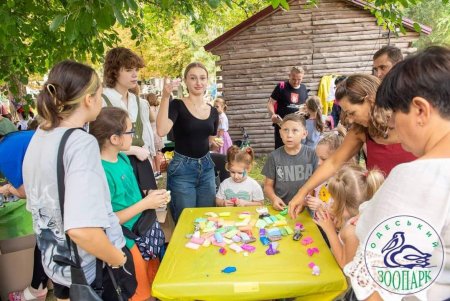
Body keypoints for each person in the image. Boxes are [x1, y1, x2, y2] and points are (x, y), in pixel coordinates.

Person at [22, 60, 135, 301]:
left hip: (58, 264)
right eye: (99, 94)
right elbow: (82, 229)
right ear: (88, 99)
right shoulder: (80, 143)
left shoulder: (40, 136)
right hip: (91, 269)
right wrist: (118, 258)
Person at [345, 46, 450, 301]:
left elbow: (375, 286)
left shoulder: (416, 177)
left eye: (394, 113)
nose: (391, 124)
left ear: (420, 111)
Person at [288, 74, 416, 219]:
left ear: (371, 100)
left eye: (352, 113)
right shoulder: (360, 130)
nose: (349, 119)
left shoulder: (412, 124)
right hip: (382, 208)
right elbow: (333, 162)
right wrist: (302, 192)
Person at [90, 107, 169, 301]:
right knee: (139, 291)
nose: (133, 136)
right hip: (128, 241)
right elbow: (108, 219)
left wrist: (149, 194)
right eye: (130, 131)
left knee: (154, 281)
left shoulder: (123, 157)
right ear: (114, 139)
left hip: (145, 231)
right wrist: (146, 204)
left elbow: (131, 193)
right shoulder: (100, 173)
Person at [156, 62, 222, 223]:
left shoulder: (213, 111)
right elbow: (162, 130)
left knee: (207, 220)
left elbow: (210, 139)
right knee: (186, 222)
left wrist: (215, 144)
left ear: (207, 81)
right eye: (193, 78)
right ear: (186, 81)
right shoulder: (177, 105)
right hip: (182, 170)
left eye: (202, 78)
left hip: (206, 168)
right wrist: (165, 96)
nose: (198, 82)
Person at [0, 125, 50, 301]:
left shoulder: (4, 153)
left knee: (46, 239)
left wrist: (8, 188)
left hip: (56, 196)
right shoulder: (13, 140)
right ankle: (40, 286)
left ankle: (38, 288)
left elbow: (24, 192)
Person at [102, 47, 157, 194]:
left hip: (141, 163)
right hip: (115, 165)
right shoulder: (102, 100)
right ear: (114, 72)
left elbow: (145, 137)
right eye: (128, 70)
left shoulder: (140, 102)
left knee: (149, 211)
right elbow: (98, 144)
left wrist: (147, 158)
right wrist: (133, 150)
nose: (134, 74)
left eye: (136, 70)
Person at [314, 164, 384, 269]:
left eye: (334, 200)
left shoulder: (353, 230)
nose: (331, 204)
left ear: (344, 205)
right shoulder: (363, 216)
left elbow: (345, 265)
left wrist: (330, 231)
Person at [262, 113, 318, 211]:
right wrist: (274, 199)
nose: (289, 135)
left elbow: (316, 184)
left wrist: (305, 201)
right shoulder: (274, 157)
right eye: (285, 130)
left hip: (305, 209)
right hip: (282, 209)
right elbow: (267, 186)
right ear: (280, 133)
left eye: (295, 130)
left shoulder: (312, 154)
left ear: (304, 134)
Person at [305, 126, 347, 213]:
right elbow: (313, 193)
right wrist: (308, 199)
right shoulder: (320, 177)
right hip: (319, 224)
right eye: (318, 158)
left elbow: (343, 213)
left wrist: (322, 206)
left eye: (324, 159)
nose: (318, 163)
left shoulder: (345, 183)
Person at [267, 66, 309, 149]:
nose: (296, 82)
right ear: (289, 75)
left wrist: (305, 112)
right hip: (282, 125)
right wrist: (273, 114)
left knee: (295, 149)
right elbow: (270, 103)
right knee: (281, 149)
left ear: (302, 77)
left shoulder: (304, 88)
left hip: (297, 126)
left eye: (299, 79)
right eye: (294, 79)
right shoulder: (281, 87)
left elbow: (305, 106)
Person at [145, 93, 164, 180]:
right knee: (158, 154)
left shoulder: (148, 109)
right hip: (158, 133)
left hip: (151, 134)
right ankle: (158, 171)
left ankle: (155, 172)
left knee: (153, 154)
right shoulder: (158, 108)